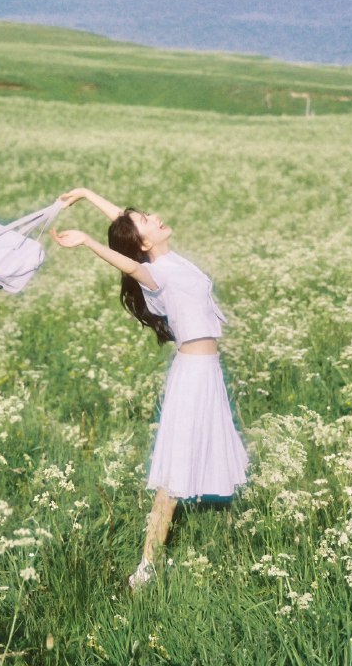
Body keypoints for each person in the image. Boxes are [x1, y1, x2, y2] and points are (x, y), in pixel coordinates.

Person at [50, 188, 249, 588]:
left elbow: (125, 226)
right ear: (144, 244)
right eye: (146, 221)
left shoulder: (170, 261)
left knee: (205, 450)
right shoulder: (156, 274)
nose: (155, 216)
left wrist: (87, 195)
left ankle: (222, 531)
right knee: (173, 474)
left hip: (206, 371)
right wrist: (88, 242)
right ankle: (145, 569)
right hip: (193, 375)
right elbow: (129, 262)